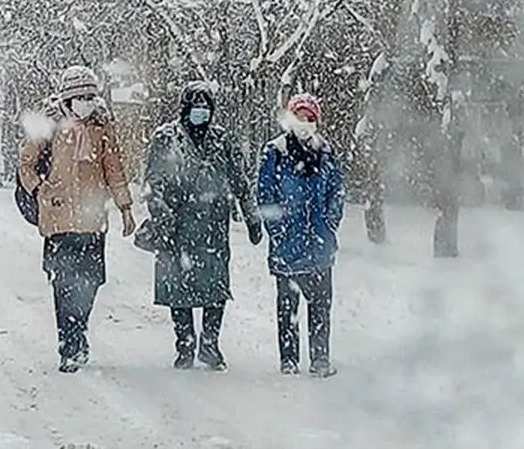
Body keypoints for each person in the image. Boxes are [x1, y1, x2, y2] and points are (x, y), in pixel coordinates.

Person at [18, 65, 135, 373]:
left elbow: (115, 169)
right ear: (68, 98)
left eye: (91, 96)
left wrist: (125, 207)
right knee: (63, 284)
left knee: (91, 281)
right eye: (81, 96)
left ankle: (79, 330)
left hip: (92, 220)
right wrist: (41, 191)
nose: (87, 102)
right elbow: (26, 164)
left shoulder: (101, 128)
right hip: (58, 221)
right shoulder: (50, 126)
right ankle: (68, 346)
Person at [142, 81, 263, 370]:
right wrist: (162, 215)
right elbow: (153, 184)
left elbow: (240, 181)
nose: (201, 113)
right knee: (178, 286)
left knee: (215, 287)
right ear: (185, 109)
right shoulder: (165, 138)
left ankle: (210, 344)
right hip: (176, 227)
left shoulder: (222, 139)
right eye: (196, 107)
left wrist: (252, 217)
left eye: (206, 108)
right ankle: (185, 343)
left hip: (212, 227)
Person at [257, 93, 345, 378]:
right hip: (288, 245)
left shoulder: (326, 152)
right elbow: (265, 194)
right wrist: (278, 231)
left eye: (311, 119)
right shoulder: (275, 151)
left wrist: (330, 224)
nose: (305, 124)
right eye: (300, 117)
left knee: (320, 306)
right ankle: (289, 359)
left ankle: (320, 358)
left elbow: (337, 191)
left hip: (319, 245)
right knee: (288, 307)